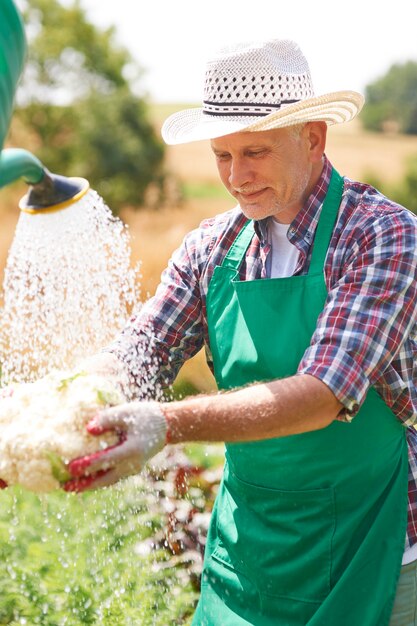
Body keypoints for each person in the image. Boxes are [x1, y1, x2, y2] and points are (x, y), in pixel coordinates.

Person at [64, 39, 417, 625]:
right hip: (247, 553)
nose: (236, 176)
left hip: (375, 551)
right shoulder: (211, 246)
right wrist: (60, 413)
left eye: (255, 151)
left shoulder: (382, 235)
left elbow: (324, 393)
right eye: (222, 155)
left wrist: (165, 422)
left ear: (313, 137)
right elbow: (144, 348)